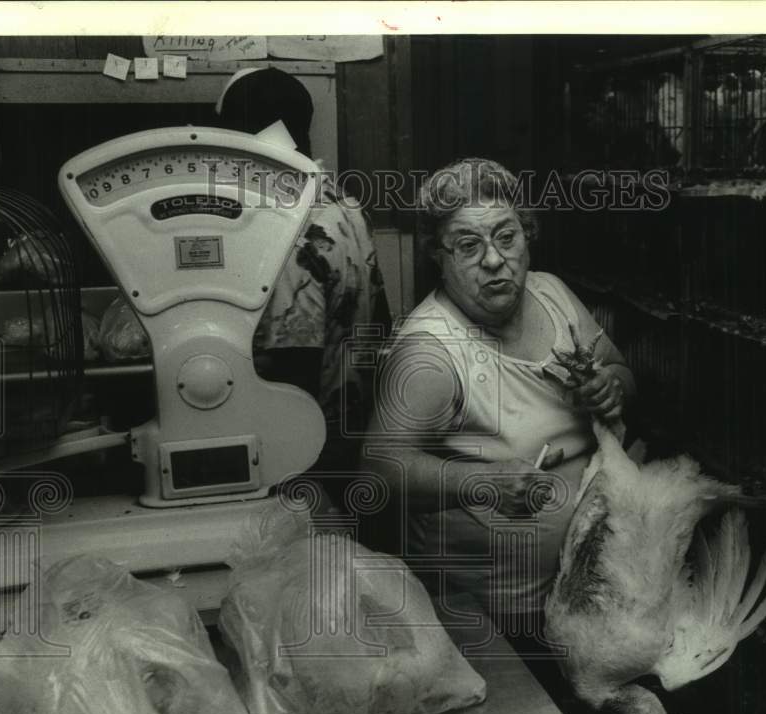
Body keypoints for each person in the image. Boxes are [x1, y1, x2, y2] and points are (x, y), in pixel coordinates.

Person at [362, 157, 635, 635]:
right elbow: (380, 470)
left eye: (506, 237)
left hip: (591, 590)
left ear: (527, 236)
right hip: (494, 616)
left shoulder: (552, 294)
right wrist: (479, 480)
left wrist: (611, 388)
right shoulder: (431, 353)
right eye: (468, 246)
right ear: (439, 258)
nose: (493, 259)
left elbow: (620, 372)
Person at [215, 67, 392, 507]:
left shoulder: (287, 224)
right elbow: (381, 319)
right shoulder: (342, 202)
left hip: (310, 456)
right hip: (356, 430)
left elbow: (293, 362)